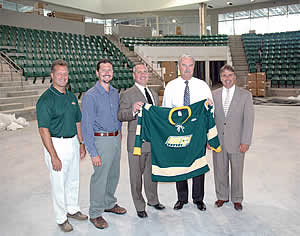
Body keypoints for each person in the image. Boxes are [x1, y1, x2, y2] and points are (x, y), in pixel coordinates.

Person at [36, 59, 87, 232]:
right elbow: (43, 130)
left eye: (65, 74)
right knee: (58, 182)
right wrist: (53, 155)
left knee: (73, 179)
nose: (63, 77)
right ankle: (61, 217)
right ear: (52, 76)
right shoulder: (46, 99)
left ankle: (72, 209)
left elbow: (78, 121)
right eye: (59, 74)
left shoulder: (71, 97)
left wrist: (81, 143)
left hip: (72, 141)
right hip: (56, 143)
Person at [162, 54, 213, 211]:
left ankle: (198, 199)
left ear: (194, 67)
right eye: (184, 65)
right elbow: (166, 110)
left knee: (198, 164)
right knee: (180, 165)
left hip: (198, 132)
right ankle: (181, 198)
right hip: (179, 132)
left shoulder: (203, 85)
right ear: (179, 67)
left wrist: (210, 135)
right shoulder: (170, 86)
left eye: (190, 65)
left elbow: (211, 110)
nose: (187, 68)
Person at [81, 58, 126, 230]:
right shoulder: (90, 96)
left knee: (113, 174)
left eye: (109, 70)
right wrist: (92, 152)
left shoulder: (115, 92)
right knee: (100, 177)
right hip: (100, 140)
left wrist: (119, 130)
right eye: (103, 70)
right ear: (97, 73)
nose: (107, 72)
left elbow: (117, 114)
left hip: (115, 139)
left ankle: (109, 202)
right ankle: (95, 212)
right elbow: (86, 126)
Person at [118, 63, 165, 218]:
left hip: (153, 142)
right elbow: (121, 115)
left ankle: (153, 200)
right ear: (134, 75)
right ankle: (139, 205)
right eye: (139, 72)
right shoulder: (127, 94)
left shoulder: (153, 93)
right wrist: (133, 110)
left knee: (152, 174)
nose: (143, 74)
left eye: (145, 72)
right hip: (136, 142)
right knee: (136, 176)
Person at [212, 64, 254, 211]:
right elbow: (210, 119)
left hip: (237, 142)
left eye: (230, 75)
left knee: (237, 171)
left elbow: (249, 121)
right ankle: (222, 196)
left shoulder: (245, 96)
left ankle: (237, 198)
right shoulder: (213, 95)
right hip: (218, 142)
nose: (227, 78)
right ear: (220, 78)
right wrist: (210, 138)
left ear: (234, 77)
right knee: (219, 170)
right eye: (224, 76)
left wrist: (246, 141)